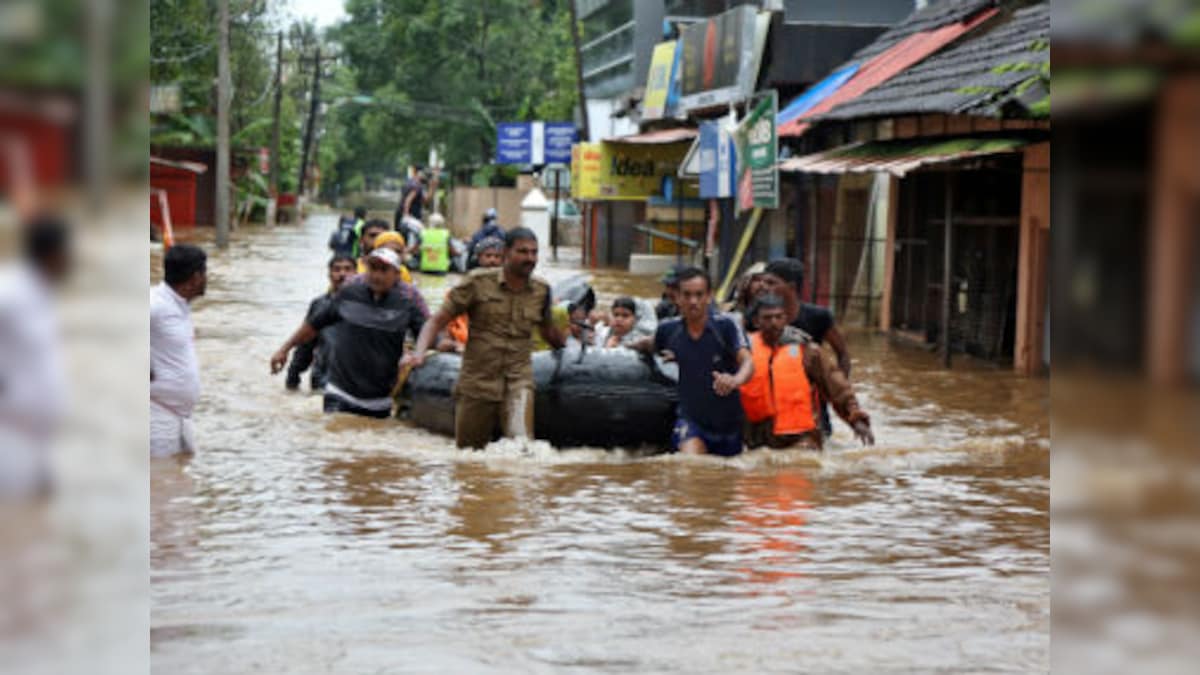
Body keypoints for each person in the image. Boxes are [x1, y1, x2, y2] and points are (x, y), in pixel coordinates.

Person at [403, 227, 567, 449]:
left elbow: (548, 331)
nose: (530, 258)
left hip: (518, 381)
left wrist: (571, 349)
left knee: (522, 449)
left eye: (534, 252)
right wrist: (419, 354)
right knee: (469, 455)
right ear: (506, 252)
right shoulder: (477, 283)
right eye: (523, 252)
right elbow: (436, 321)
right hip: (477, 382)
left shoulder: (541, 290)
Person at [271, 248, 429, 419]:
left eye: (384, 270)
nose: (377, 275)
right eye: (373, 269)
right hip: (340, 393)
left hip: (380, 400)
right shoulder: (348, 295)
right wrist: (284, 349)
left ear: (397, 275)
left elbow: (428, 332)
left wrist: (420, 353)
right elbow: (312, 326)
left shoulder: (407, 304)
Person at [631, 267, 754, 456]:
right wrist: (624, 345)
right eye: (687, 295)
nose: (693, 301)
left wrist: (735, 380)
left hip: (729, 425)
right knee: (691, 468)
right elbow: (650, 344)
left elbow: (748, 362)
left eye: (699, 295)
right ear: (676, 297)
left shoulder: (726, 326)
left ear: (709, 296)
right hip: (691, 421)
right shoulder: (668, 330)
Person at [740, 294, 873, 450]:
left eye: (778, 317)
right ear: (756, 321)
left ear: (786, 319)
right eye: (767, 318)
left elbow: (837, 387)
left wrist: (855, 418)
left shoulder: (808, 351)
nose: (774, 323)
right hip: (757, 437)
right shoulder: (743, 350)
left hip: (800, 437)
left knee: (803, 460)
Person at [0, 216, 71, 494]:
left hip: (39, 436)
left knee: (35, 522)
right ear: (53, 253)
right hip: (10, 433)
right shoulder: (9, 291)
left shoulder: (44, 292)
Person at [758, 258, 852, 436]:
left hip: (812, 405)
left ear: (791, 287)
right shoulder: (759, 318)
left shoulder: (818, 317)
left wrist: (835, 391)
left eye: (771, 283)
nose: (763, 287)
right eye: (762, 282)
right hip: (775, 404)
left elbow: (843, 354)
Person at [151, 244, 207, 457]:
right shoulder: (156, 303)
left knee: (178, 482)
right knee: (160, 483)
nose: (206, 279)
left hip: (180, 416)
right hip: (156, 414)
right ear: (195, 277)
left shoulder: (179, 305)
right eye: (205, 272)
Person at [285, 254, 356, 391]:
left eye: (348, 269)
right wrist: (293, 377)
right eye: (337, 269)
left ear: (356, 273)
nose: (342, 274)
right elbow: (306, 343)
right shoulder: (319, 304)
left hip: (353, 380)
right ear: (329, 274)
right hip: (322, 378)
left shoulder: (367, 306)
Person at [437, 236, 504, 353]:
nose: (492, 260)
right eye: (488, 256)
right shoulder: (461, 291)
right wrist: (452, 343)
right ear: (478, 259)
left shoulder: (509, 292)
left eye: (497, 257)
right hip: (463, 345)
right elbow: (443, 323)